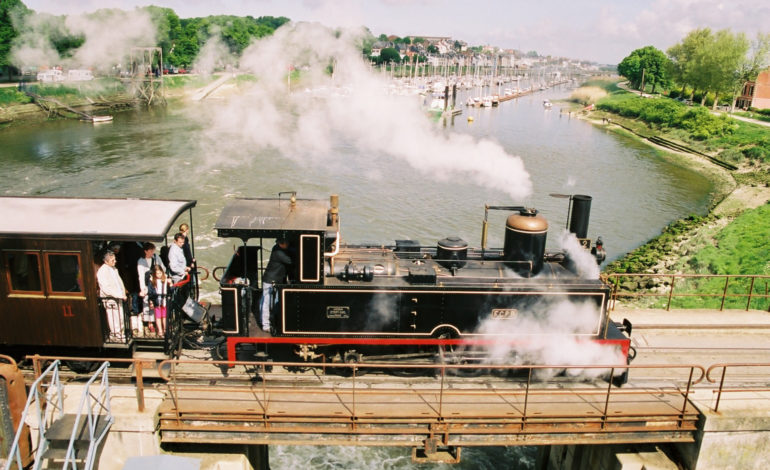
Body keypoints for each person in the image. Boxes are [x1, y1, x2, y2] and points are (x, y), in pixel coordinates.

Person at [260, 237, 292, 333]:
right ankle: (265, 325)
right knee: (266, 302)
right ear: (281, 244)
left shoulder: (277, 248)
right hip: (271, 280)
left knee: (272, 301)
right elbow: (290, 261)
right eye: (286, 243)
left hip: (276, 280)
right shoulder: (279, 253)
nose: (288, 245)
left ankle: (272, 320)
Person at [97, 250, 127, 341]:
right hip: (111, 299)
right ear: (106, 261)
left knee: (120, 317)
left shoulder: (114, 269)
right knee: (114, 318)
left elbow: (119, 282)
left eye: (115, 260)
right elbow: (105, 287)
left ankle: (120, 334)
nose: (115, 261)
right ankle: (115, 335)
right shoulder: (102, 271)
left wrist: (123, 293)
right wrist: (118, 295)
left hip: (118, 297)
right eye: (112, 260)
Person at [137, 242, 166, 334]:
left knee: (156, 304)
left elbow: (163, 268)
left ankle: (157, 323)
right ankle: (150, 322)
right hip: (147, 284)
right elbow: (141, 276)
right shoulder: (141, 261)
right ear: (145, 251)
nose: (152, 252)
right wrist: (143, 288)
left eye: (153, 250)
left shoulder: (156, 257)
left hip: (155, 283)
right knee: (147, 303)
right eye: (150, 251)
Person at [147, 264, 172, 337]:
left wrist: (170, 284)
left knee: (164, 316)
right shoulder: (152, 282)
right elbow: (150, 292)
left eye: (160, 273)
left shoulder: (166, 280)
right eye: (157, 273)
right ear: (154, 274)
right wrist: (151, 301)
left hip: (164, 301)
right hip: (156, 301)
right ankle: (160, 330)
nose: (159, 275)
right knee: (158, 316)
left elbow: (171, 290)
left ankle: (165, 330)